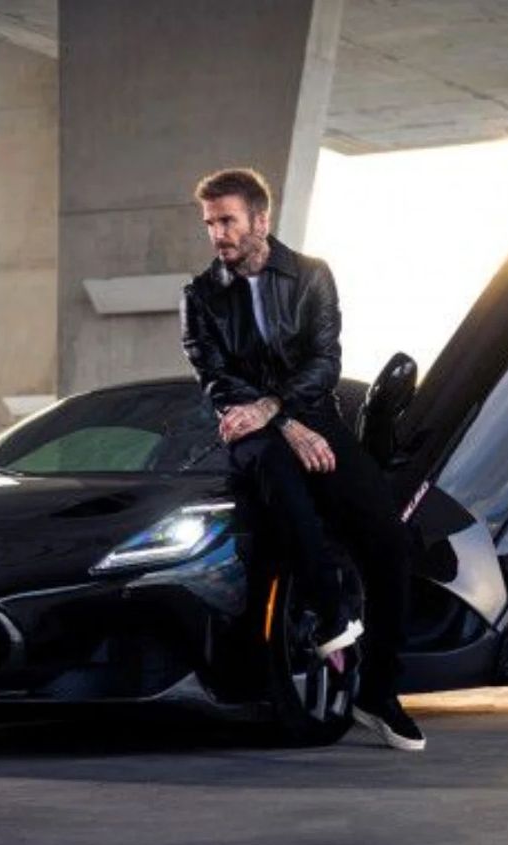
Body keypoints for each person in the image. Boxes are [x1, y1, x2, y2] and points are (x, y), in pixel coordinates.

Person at [180, 167, 424, 752]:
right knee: (281, 481)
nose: (217, 234)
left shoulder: (312, 275)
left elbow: (324, 363)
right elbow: (214, 377)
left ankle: (379, 692)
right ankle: (331, 614)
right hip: (250, 432)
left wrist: (280, 410)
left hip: (316, 416)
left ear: (261, 220)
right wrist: (278, 422)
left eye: (227, 220)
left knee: (390, 541)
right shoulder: (200, 296)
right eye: (210, 223)